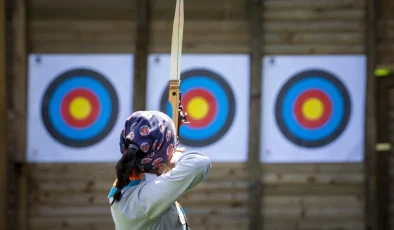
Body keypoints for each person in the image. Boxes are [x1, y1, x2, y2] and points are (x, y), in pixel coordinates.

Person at [108, 111, 211, 230]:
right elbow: (200, 163)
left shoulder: (129, 183)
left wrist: (165, 157)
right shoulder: (143, 199)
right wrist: (173, 158)